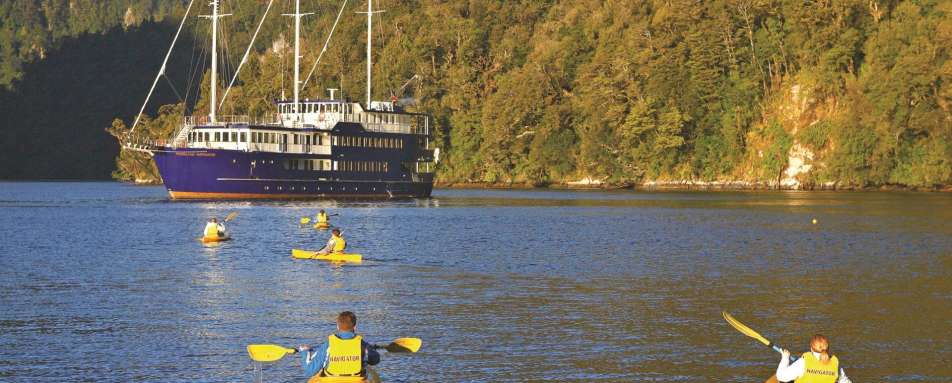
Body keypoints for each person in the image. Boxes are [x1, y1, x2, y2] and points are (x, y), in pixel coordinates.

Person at [299, 311, 380, 380]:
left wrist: (305, 352)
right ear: (355, 327)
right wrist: (372, 349)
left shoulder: (328, 345)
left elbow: (309, 371)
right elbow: (375, 360)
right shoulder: (362, 345)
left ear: (337, 326)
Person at [768, 334, 851, 383]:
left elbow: (781, 377)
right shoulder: (835, 363)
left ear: (811, 348)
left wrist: (785, 358)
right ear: (828, 348)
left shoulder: (803, 363)